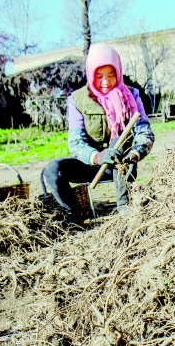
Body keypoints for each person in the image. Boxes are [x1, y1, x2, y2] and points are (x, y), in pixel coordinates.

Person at [43, 43, 155, 222]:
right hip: (91, 165)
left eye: (111, 75)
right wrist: (97, 157)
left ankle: (124, 210)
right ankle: (73, 217)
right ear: (90, 74)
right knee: (53, 170)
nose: (105, 81)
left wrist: (135, 153)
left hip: (122, 165)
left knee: (117, 142)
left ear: (118, 73)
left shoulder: (132, 95)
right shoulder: (77, 100)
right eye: (99, 76)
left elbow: (144, 132)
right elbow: (75, 142)